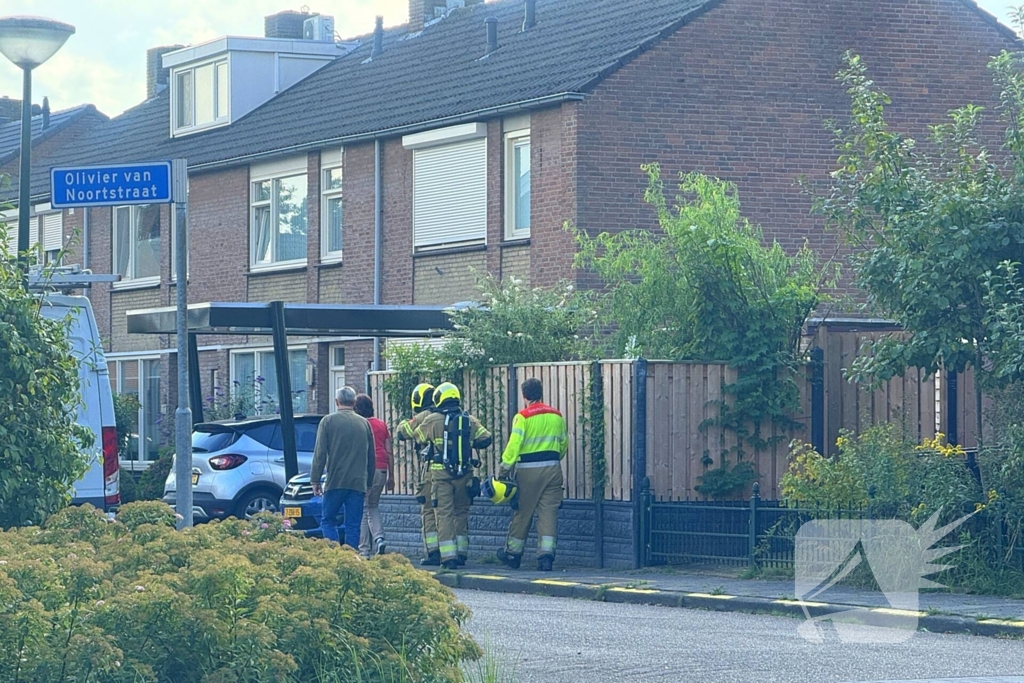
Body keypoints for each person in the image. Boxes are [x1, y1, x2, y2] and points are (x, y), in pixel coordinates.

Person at [415, 382, 492, 570]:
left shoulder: (433, 419)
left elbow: (418, 437)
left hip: (441, 477)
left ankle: (448, 558)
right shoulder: (469, 419)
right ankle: (461, 554)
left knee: (444, 515)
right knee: (461, 513)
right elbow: (486, 438)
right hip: (464, 475)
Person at [496, 378, 568, 572]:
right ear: (541, 392)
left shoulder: (522, 417)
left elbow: (514, 446)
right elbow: (563, 444)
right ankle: (546, 557)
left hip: (528, 471)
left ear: (524, 395)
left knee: (523, 512)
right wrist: (553, 459)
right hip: (553, 469)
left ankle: (513, 554)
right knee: (548, 513)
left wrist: (504, 470)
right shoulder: (557, 415)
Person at [310, 386, 375, 549]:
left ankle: (335, 553)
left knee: (328, 520)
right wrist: (369, 483)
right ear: (354, 402)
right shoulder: (364, 423)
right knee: (353, 524)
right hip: (358, 482)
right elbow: (371, 456)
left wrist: (315, 479)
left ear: (336, 401)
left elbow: (320, 453)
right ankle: (351, 556)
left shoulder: (328, 421)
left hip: (335, 481)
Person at [395, 383, 442, 566]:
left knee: (429, 510)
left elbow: (402, 433)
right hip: (454, 471)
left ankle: (433, 553)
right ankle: (455, 553)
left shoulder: (425, 415)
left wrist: (405, 421)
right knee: (449, 512)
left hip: (431, 470)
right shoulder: (450, 414)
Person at [354, 393, 394, 558]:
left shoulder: (358, 425)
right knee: (373, 506)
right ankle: (379, 538)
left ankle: (364, 549)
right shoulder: (381, 425)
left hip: (366, 471)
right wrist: (391, 476)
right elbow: (389, 451)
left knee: (363, 509)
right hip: (382, 469)